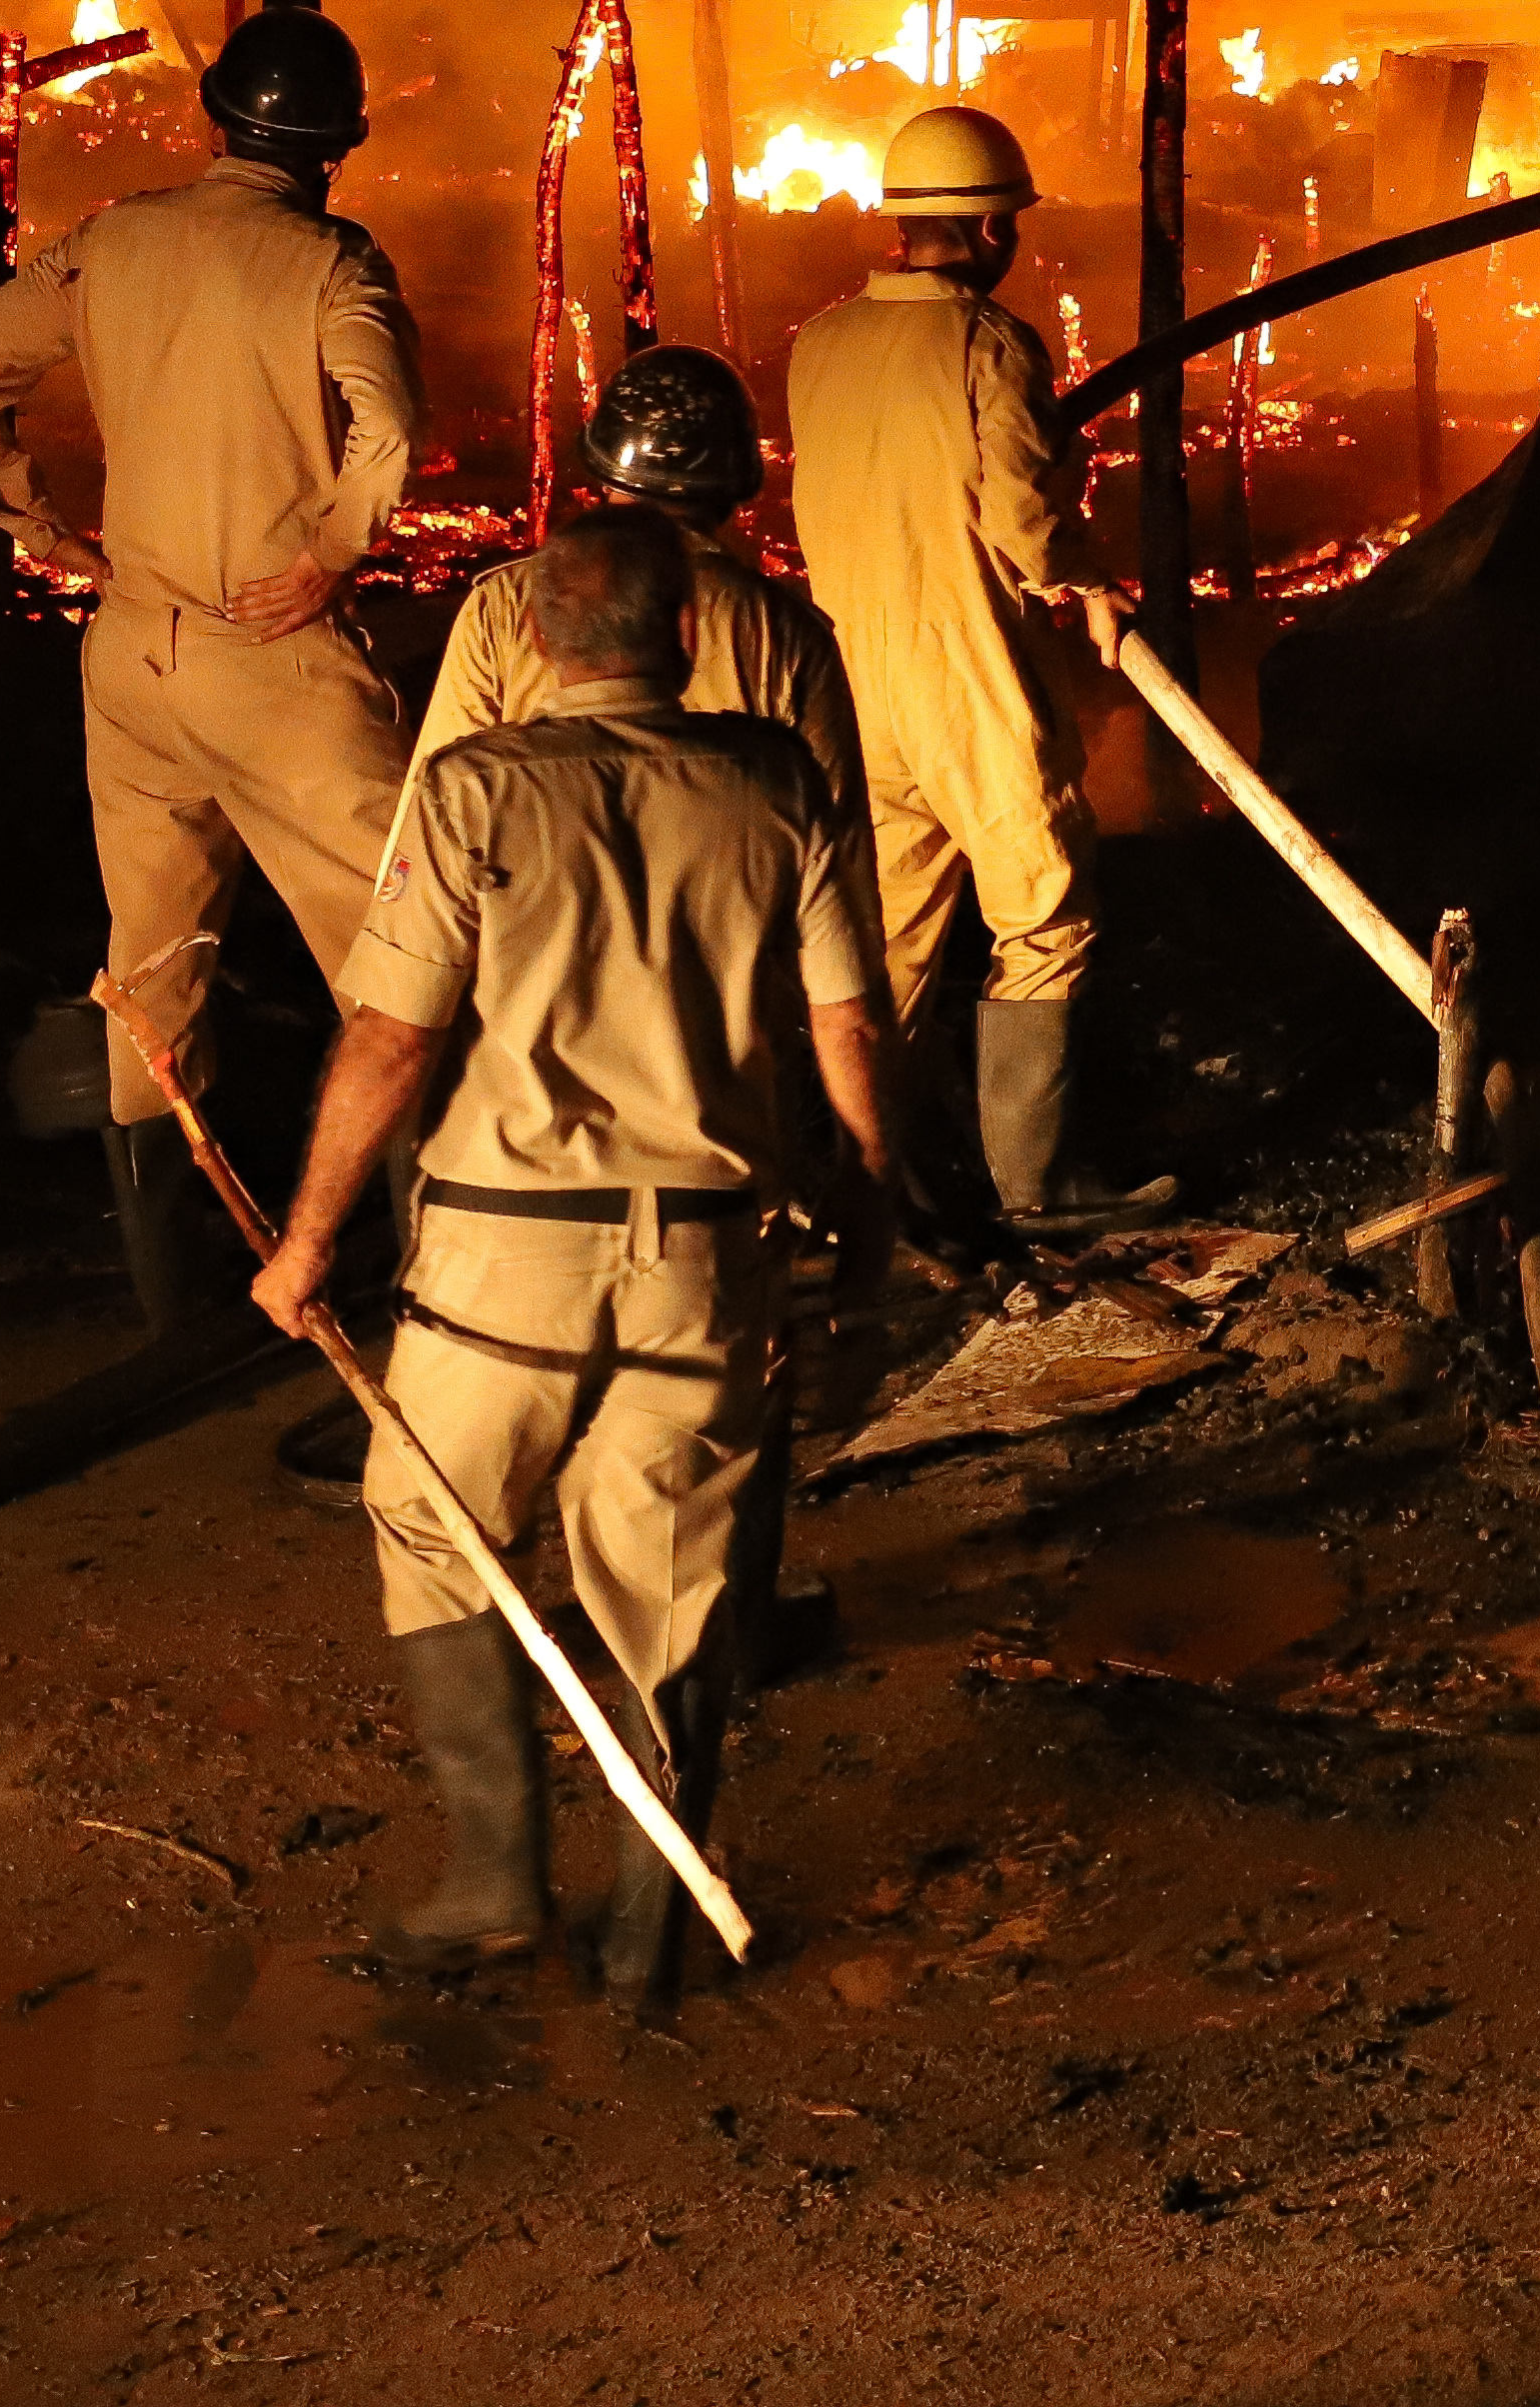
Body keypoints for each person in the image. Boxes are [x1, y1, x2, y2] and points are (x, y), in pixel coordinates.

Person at [252, 508, 888, 2002]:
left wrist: (307, 1241)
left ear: (535, 635)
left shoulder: (477, 787)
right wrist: (877, 1214)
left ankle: (491, 1879)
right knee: (670, 1585)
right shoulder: (775, 781)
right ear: (686, 631)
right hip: (707, 1266)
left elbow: (393, 1036)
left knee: (432, 1523)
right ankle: (646, 1926)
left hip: (501, 1270)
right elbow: (849, 1026)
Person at [0, 5, 418, 1339]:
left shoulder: (116, 238)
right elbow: (390, 435)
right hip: (275, 662)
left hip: (131, 654)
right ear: (338, 144)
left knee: (152, 966)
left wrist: (37, 525)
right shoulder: (331, 263)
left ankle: (167, 1302)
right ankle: (446, 1280)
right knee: (403, 961)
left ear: (217, 118)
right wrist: (328, 554)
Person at [780, 101, 1121, 1220]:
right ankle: (1041, 1186)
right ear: (984, 228)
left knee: (887, 947)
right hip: (965, 672)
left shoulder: (817, 343)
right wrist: (1089, 576)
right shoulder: (989, 343)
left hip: (846, 684)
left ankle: (845, 1178)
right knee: (1045, 914)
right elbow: (1025, 518)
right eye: (1008, 220)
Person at [403, 344, 861, 818]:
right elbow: (833, 840)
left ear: (605, 471)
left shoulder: (502, 607)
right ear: (738, 486)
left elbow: (434, 814)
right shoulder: (785, 632)